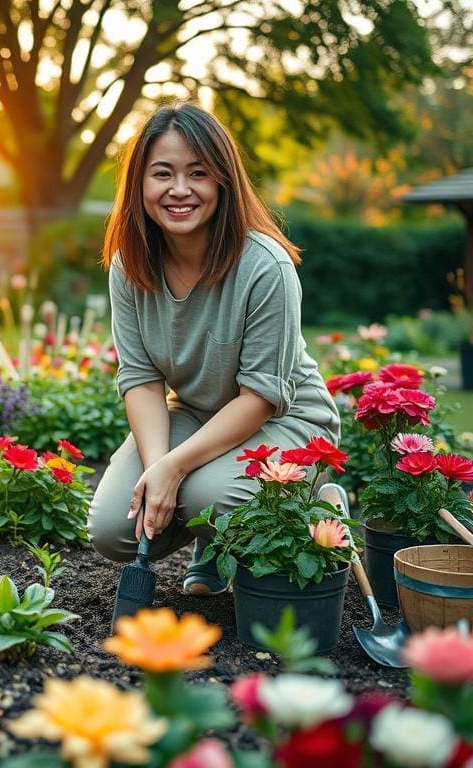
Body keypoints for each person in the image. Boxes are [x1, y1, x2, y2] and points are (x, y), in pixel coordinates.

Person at [88, 102, 339, 595]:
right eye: (163, 173)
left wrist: (176, 468)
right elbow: (139, 379)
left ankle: (316, 502)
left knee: (207, 497)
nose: (179, 190)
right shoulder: (130, 265)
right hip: (199, 413)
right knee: (115, 527)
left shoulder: (265, 265)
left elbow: (262, 395)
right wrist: (159, 467)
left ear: (222, 181)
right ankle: (213, 534)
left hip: (284, 419)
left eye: (197, 173)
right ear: (139, 183)